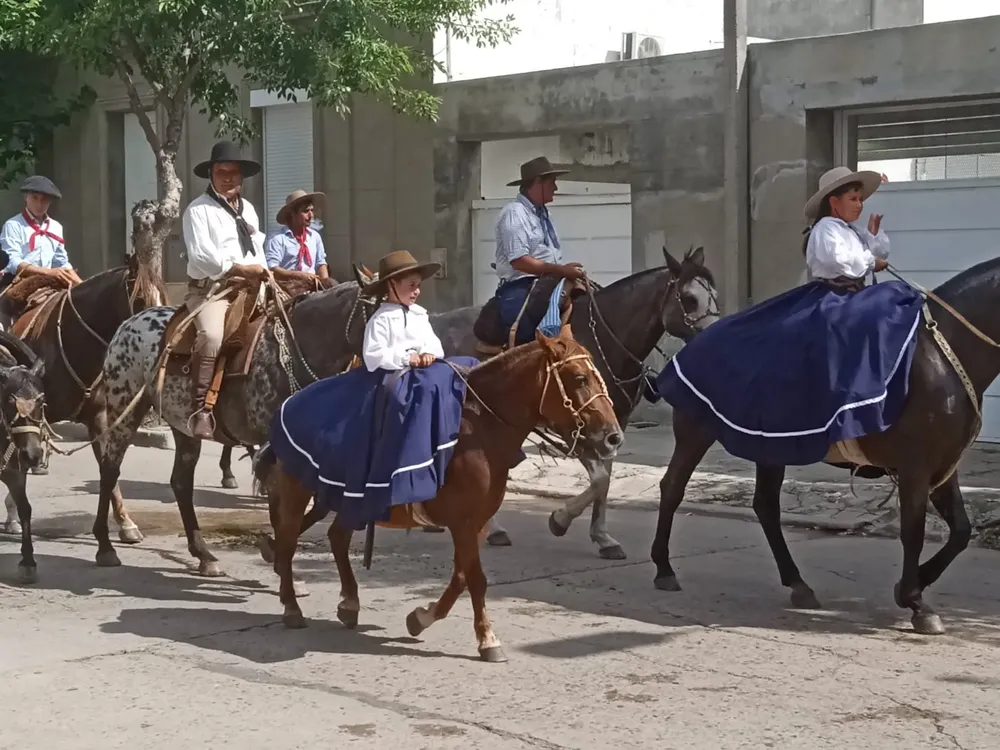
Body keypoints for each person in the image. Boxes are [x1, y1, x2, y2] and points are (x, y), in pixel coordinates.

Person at [653, 166, 925, 468]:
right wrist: (871, 260)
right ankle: (837, 403)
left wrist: (873, 239)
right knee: (841, 328)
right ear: (834, 202)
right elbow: (841, 263)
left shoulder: (850, 231)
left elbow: (867, 254)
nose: (859, 204)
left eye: (860, 198)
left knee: (889, 304)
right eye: (853, 198)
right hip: (831, 296)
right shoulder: (825, 229)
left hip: (853, 294)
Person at [268, 250, 481, 531]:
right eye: (410, 285)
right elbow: (374, 356)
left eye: (418, 285)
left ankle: (450, 446)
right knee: (401, 397)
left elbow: (436, 346)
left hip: (420, 374)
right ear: (392, 286)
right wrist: (409, 358)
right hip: (389, 377)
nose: (416, 291)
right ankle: (398, 466)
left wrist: (428, 354)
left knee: (464, 369)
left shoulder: (419, 315)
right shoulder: (381, 319)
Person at [181, 140, 269, 439]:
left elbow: (257, 253)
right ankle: (200, 409)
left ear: (242, 177)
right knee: (212, 336)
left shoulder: (249, 210)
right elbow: (202, 257)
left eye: (234, 172)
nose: (228, 178)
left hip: (251, 287)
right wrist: (240, 270)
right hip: (212, 289)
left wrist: (267, 276)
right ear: (211, 175)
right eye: (222, 172)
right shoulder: (198, 211)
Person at [492, 157, 587, 344]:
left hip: (546, 281)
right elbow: (520, 261)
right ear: (537, 182)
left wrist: (562, 270)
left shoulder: (543, 214)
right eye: (552, 182)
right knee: (528, 336)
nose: (556, 188)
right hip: (520, 286)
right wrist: (561, 270)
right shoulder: (515, 212)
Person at [0, 175, 81, 293]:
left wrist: (82, 284)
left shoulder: (56, 227)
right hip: (16, 282)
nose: (39, 204)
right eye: (34, 198)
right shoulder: (13, 225)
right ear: (26, 197)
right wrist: (49, 272)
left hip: (47, 283)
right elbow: (13, 262)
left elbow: (61, 262)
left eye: (44, 199)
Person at [264, 189, 331, 283]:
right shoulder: (278, 239)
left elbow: (321, 263)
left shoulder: (315, 237)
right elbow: (272, 268)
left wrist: (326, 284)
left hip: (312, 287)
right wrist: (300, 276)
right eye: (306, 211)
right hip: (287, 288)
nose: (311, 215)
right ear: (292, 214)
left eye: (312, 210)